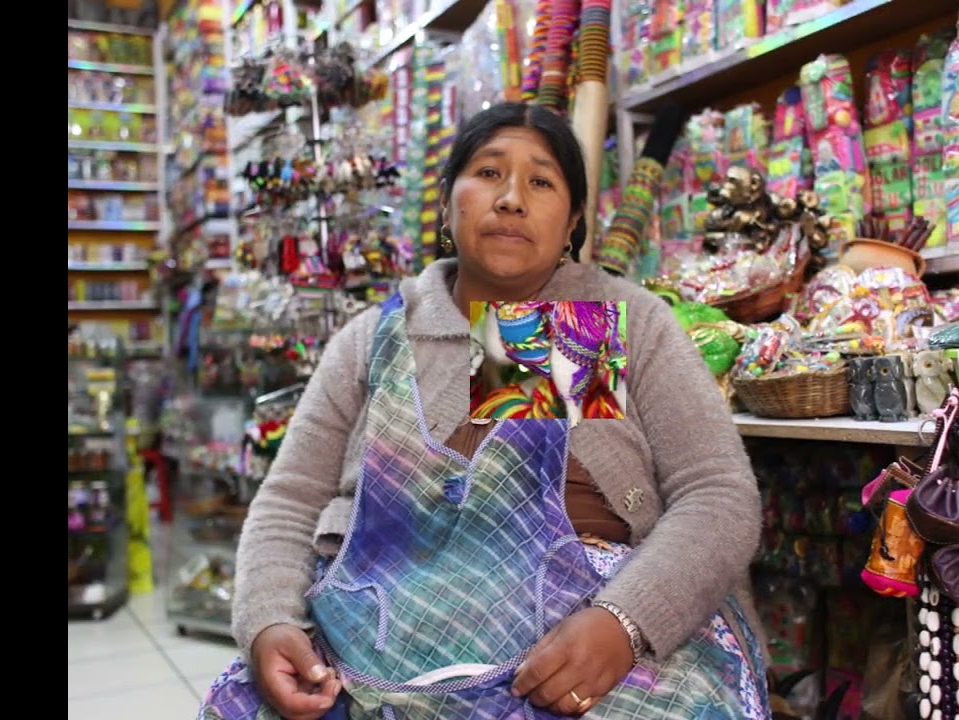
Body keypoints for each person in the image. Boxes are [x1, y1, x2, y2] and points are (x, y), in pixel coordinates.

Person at [198, 102, 771, 720]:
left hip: (587, 655)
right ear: (448, 203)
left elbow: (716, 493)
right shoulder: (379, 338)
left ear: (573, 221)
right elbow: (290, 500)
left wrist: (624, 621)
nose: (512, 199)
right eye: (489, 172)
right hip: (374, 649)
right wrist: (269, 620)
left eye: (541, 181)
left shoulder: (603, 325)